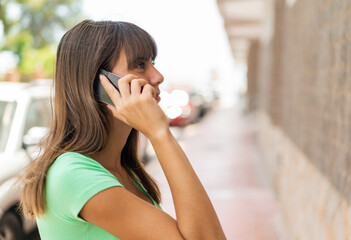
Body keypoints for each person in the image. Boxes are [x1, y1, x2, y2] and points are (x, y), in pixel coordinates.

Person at [19, 19, 226, 240]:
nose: (158, 76)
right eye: (140, 65)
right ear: (100, 85)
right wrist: (159, 134)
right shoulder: (74, 174)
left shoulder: (121, 169)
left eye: (152, 62)